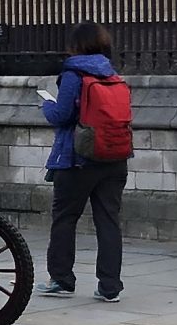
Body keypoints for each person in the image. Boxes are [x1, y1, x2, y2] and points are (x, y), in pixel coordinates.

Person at [38, 22, 128, 303]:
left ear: (75, 45)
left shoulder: (73, 73)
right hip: (114, 157)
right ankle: (110, 285)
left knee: (65, 217)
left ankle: (62, 279)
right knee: (109, 220)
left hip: (77, 157)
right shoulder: (112, 73)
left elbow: (62, 115)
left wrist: (46, 105)